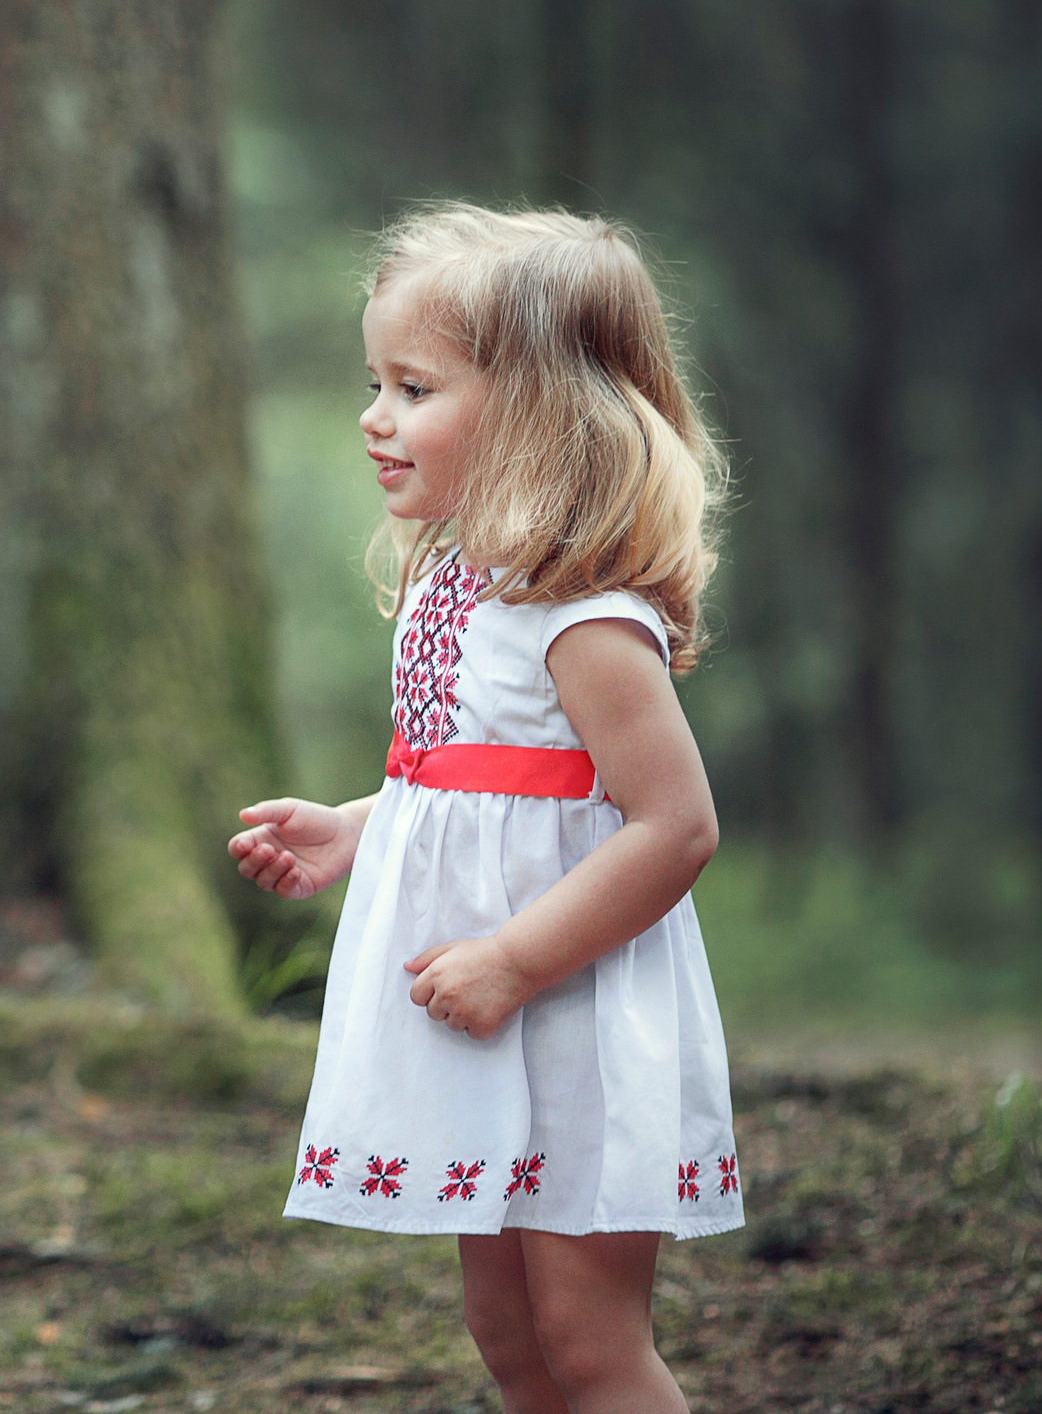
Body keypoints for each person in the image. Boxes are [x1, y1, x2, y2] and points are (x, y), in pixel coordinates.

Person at [230, 204, 739, 1412]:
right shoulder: (456, 578)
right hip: (485, 1026)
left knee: (587, 1338)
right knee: (506, 1335)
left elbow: (674, 827)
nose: (374, 415)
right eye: (375, 382)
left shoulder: (585, 619)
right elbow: (484, 778)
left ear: (538, 414)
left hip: (574, 1021)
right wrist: (360, 828)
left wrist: (514, 958)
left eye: (414, 387)